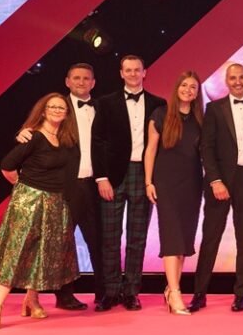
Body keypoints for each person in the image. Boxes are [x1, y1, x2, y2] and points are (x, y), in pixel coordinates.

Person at [0, 93, 80, 330]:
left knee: (42, 253)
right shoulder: (33, 136)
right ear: (43, 111)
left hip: (55, 202)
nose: (57, 110)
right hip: (29, 202)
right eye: (52, 106)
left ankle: (31, 299)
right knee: (16, 253)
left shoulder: (66, 139)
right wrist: (23, 187)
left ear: (67, 113)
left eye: (61, 107)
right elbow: (7, 166)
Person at [15, 63, 105, 310]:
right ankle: (64, 296)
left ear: (93, 83)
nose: (81, 82)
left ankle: (103, 294)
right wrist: (25, 132)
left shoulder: (101, 107)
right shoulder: (58, 108)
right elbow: (37, 129)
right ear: (67, 81)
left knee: (99, 240)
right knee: (62, 242)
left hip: (94, 184)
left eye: (86, 78)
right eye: (76, 78)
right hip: (64, 186)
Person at [189, 63, 243, 313]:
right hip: (219, 182)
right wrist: (215, 180)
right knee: (211, 237)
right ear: (227, 81)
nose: (238, 82)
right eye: (233, 78)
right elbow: (206, 147)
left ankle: (241, 294)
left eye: (241, 77)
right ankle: (199, 294)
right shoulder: (214, 108)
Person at [91, 55, 166, 311]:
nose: (133, 74)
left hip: (143, 175)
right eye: (128, 70)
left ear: (145, 72)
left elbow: (162, 146)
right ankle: (111, 291)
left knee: (138, 237)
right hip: (112, 177)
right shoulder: (105, 103)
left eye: (137, 70)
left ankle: (132, 291)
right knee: (110, 237)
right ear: (121, 73)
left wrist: (155, 179)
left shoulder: (159, 103)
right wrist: (101, 177)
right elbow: (97, 141)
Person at [144, 71, 204, 315]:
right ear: (176, 88)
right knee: (171, 237)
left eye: (193, 87)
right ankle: (176, 292)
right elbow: (150, 150)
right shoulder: (160, 114)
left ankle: (171, 289)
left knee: (184, 239)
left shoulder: (201, 119)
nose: (188, 90)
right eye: (184, 85)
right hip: (166, 183)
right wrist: (148, 182)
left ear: (197, 93)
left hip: (192, 184)